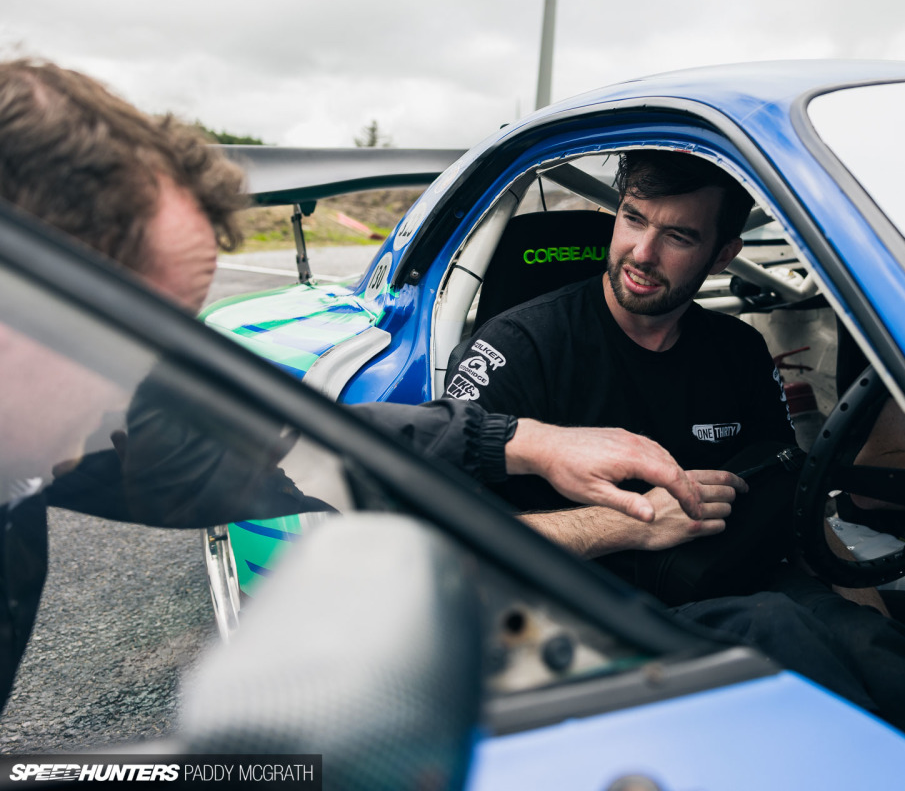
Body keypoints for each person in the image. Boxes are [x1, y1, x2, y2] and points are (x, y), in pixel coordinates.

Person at [0, 58, 703, 714]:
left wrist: (521, 440)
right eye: (141, 331)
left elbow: (263, 458)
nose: (169, 378)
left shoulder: (47, 446)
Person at [445, 150, 905, 787]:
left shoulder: (738, 350)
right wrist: (629, 523)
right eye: (633, 219)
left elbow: (783, 493)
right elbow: (449, 541)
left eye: (679, 236)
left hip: (739, 577)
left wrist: (856, 591)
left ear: (722, 255)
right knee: (778, 632)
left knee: (887, 650)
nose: (642, 252)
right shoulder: (520, 348)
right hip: (593, 608)